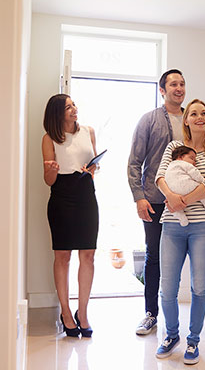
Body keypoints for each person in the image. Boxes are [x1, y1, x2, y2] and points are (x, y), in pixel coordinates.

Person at [127, 69, 205, 337]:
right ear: (162, 90)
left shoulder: (193, 118)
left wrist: (185, 198)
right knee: (154, 259)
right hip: (157, 200)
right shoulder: (149, 120)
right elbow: (136, 162)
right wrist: (139, 196)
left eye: (182, 83)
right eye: (173, 84)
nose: (179, 88)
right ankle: (151, 315)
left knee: (203, 265)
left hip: (195, 207)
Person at [42, 94, 98, 338]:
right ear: (57, 114)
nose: (74, 109)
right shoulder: (49, 138)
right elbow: (48, 181)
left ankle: (82, 312)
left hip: (86, 194)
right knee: (62, 255)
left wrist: (93, 168)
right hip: (61, 196)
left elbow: (94, 165)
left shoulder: (88, 131)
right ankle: (65, 312)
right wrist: (51, 170)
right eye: (68, 107)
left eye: (74, 104)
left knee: (88, 255)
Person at [164, 145, 205, 226]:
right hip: (187, 186)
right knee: (202, 189)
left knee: (175, 210)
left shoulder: (169, 166)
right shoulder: (184, 164)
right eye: (192, 158)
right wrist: (202, 180)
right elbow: (194, 173)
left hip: (173, 191)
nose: (194, 162)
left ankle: (182, 218)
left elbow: (161, 178)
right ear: (180, 157)